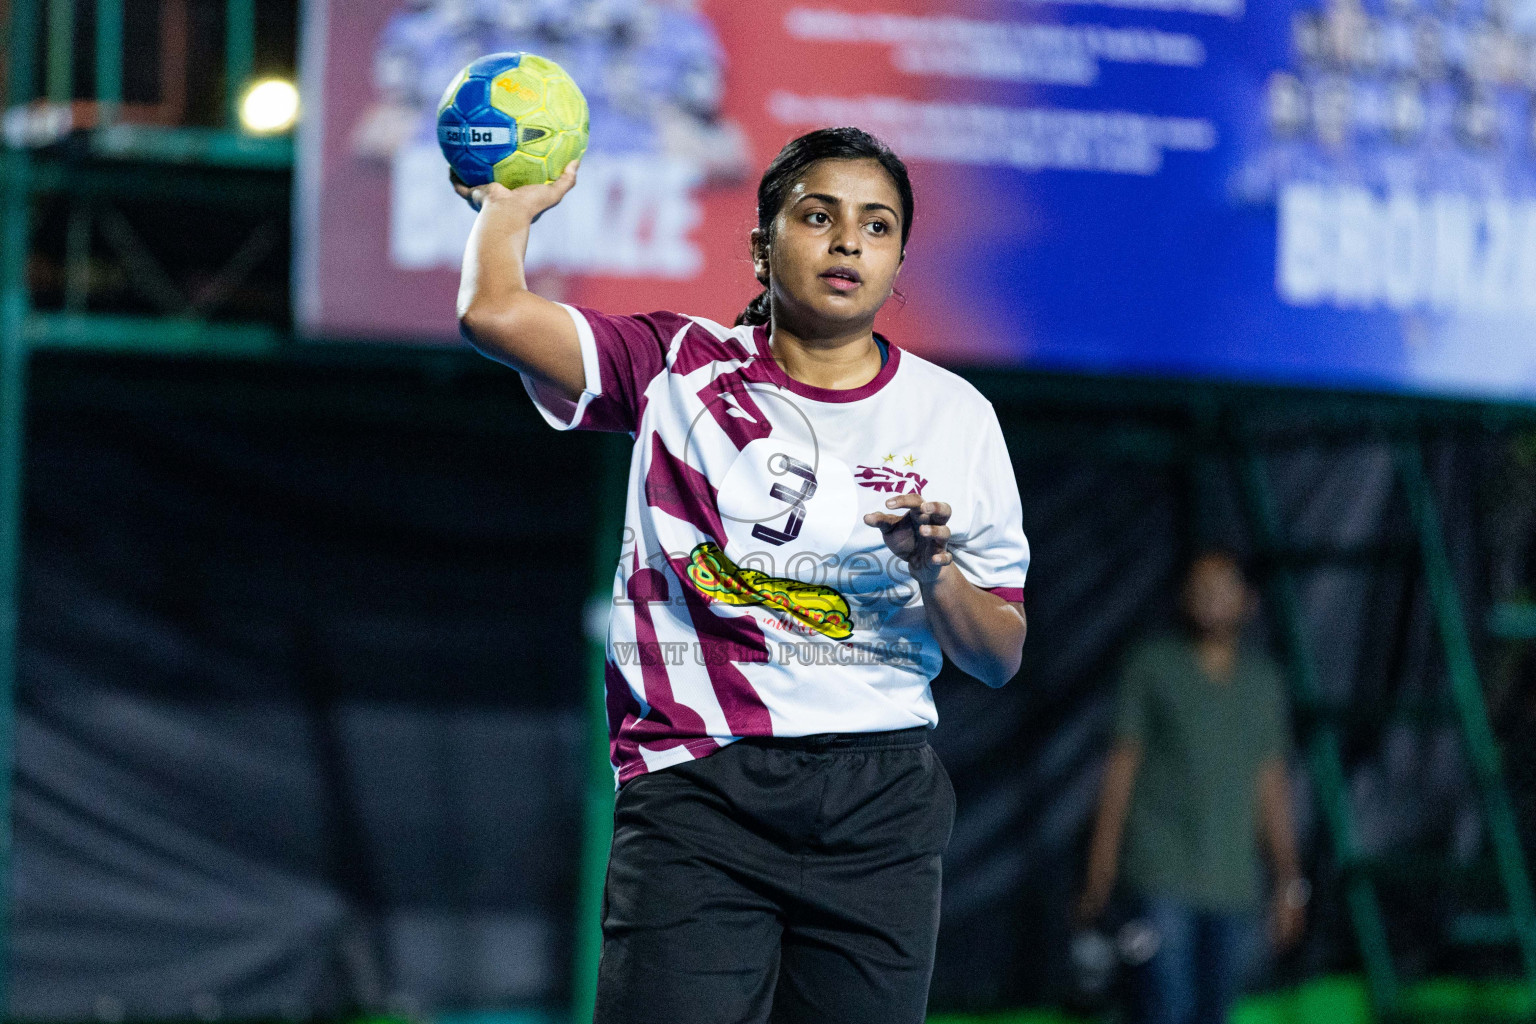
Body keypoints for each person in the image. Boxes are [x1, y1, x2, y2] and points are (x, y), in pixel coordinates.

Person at [452, 127, 1031, 1023]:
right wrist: (507, 209)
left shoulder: (957, 417)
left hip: (880, 807)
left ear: (898, 261)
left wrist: (938, 571)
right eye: (817, 216)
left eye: (876, 227)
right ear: (762, 245)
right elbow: (492, 315)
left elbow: (998, 656)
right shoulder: (675, 368)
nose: (847, 242)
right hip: (699, 794)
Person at [1077, 549, 1307, 1024]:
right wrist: (1100, 870)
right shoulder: (1152, 666)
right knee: (1161, 1009)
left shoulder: (1263, 682)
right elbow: (1119, 772)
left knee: (1214, 1013)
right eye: (1200, 587)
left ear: (1249, 600)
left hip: (1233, 885)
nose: (1211, 598)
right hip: (1159, 877)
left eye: (1224, 586)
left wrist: (1288, 881)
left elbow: (1273, 786)